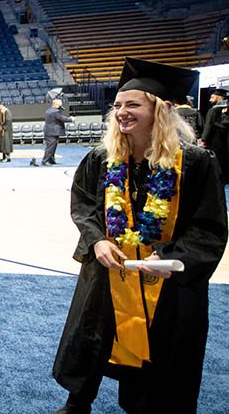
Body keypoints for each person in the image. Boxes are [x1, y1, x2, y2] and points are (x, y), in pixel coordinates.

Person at [52, 58, 227, 414]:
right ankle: (77, 402)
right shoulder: (102, 158)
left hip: (166, 280)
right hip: (109, 270)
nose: (121, 112)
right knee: (93, 336)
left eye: (132, 104)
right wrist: (97, 238)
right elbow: (83, 204)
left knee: (164, 358)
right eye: (117, 105)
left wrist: (174, 260)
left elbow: (208, 226)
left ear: (160, 109)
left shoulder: (195, 163)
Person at [200, 87, 228, 182]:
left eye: (212, 97)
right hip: (225, 141)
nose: (210, 100)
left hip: (215, 141)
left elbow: (208, 126)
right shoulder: (226, 109)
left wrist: (203, 140)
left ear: (219, 98)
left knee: (217, 162)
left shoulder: (213, 110)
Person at [43, 99, 74, 166]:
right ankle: (45, 160)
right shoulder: (55, 111)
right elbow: (63, 118)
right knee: (50, 147)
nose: (61, 106)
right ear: (56, 105)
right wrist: (71, 119)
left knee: (53, 146)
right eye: (60, 105)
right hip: (52, 132)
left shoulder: (49, 110)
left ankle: (51, 160)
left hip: (50, 131)